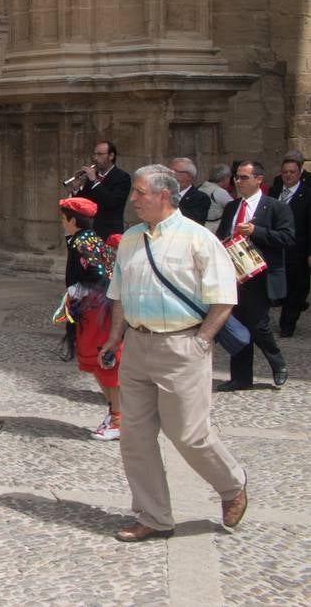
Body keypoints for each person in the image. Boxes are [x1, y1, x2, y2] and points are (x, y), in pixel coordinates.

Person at [99, 164, 248, 542]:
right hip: (137, 346)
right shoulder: (131, 239)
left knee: (189, 434)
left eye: (139, 192)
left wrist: (201, 342)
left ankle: (232, 485)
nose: (133, 199)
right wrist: (115, 339)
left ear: (164, 195)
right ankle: (153, 515)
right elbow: (119, 295)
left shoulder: (198, 239)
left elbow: (223, 298)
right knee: (135, 436)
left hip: (182, 346)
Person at [214, 160, 293, 390]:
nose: (239, 182)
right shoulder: (232, 207)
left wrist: (256, 231)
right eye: (237, 177)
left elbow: (287, 238)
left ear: (259, 179)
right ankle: (240, 377)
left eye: (244, 177)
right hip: (235, 276)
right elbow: (222, 236)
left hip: (261, 276)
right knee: (237, 325)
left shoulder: (276, 207)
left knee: (258, 325)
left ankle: (277, 363)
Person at [56, 197, 121, 440]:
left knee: (105, 362)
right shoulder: (89, 238)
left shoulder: (83, 242)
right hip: (96, 310)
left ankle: (118, 419)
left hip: (98, 312)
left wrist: (78, 290)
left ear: (73, 220)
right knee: (98, 362)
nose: (62, 223)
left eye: (64, 218)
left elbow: (98, 275)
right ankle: (114, 413)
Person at [269, 151, 311, 336]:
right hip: (274, 246)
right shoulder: (275, 190)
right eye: (285, 171)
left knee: (296, 287)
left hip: (297, 248)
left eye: (292, 172)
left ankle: (288, 324)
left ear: (299, 173)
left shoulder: (307, 194)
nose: (288, 175)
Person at [73, 141, 131, 239]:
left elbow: (111, 202)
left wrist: (94, 181)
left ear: (111, 156)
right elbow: (84, 204)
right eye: (94, 154)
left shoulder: (122, 177)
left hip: (109, 233)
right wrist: (76, 189)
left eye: (99, 154)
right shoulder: (92, 177)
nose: (95, 158)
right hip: (89, 232)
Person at [170, 158, 212, 227]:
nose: (171, 175)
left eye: (175, 172)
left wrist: (170, 204)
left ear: (189, 176)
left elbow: (194, 221)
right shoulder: (163, 194)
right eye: (169, 172)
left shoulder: (201, 198)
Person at [198, 164, 234, 233]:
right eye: (229, 177)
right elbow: (234, 208)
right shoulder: (219, 192)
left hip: (200, 228)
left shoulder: (200, 187)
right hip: (213, 230)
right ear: (224, 178)